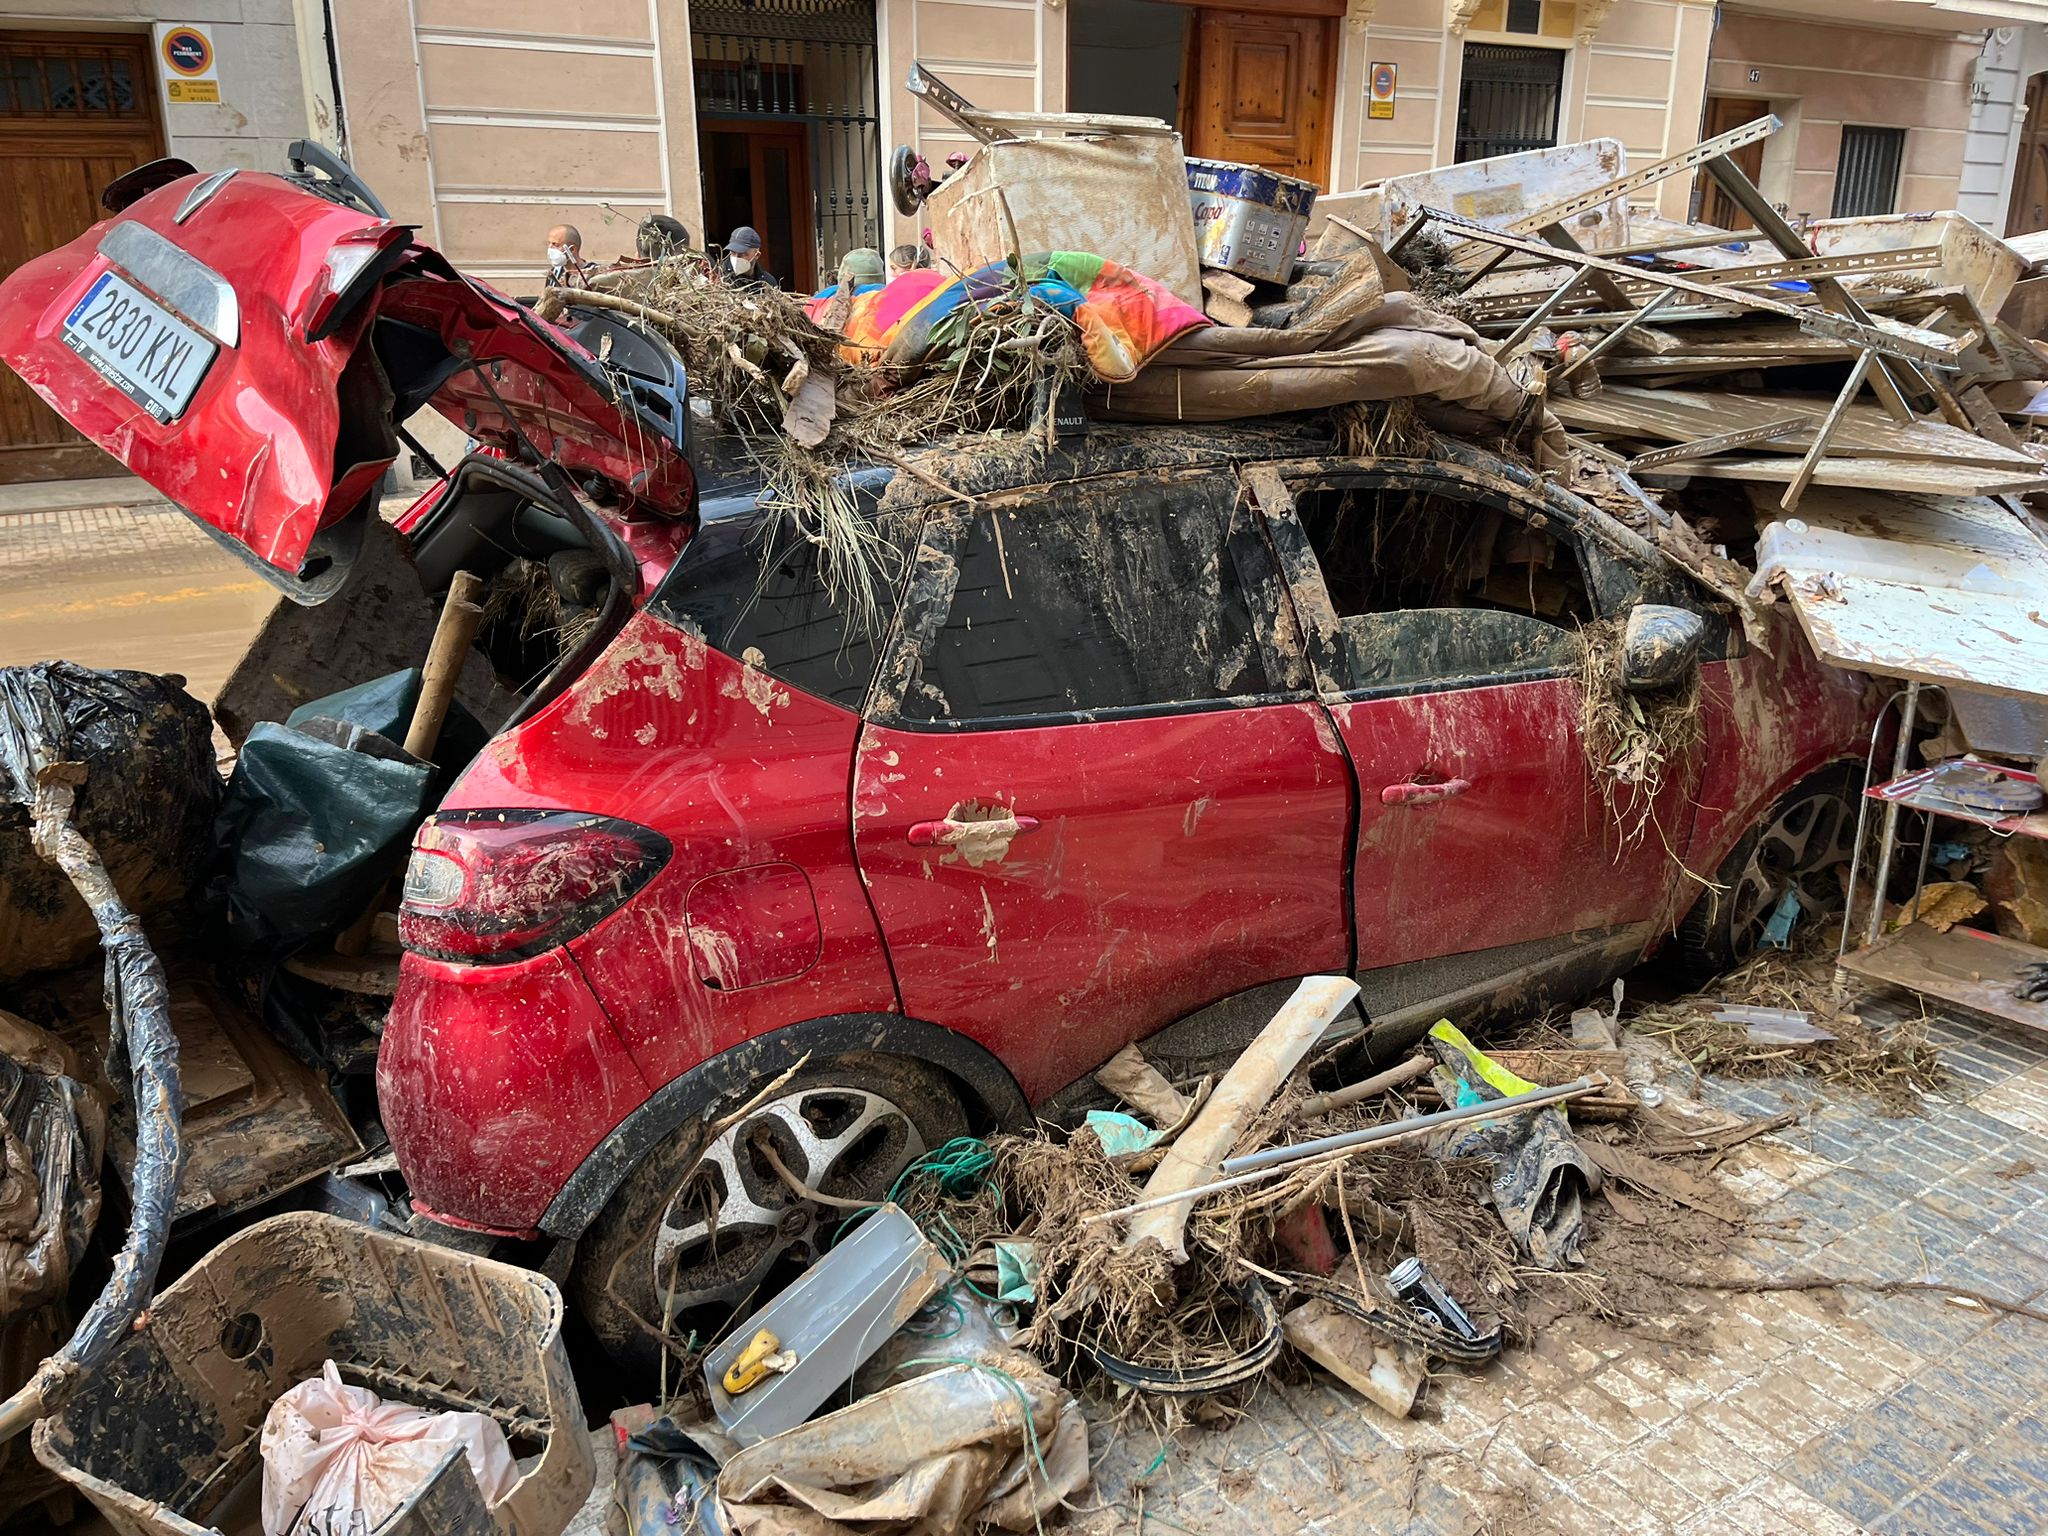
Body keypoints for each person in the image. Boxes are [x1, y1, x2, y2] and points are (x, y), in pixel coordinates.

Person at [544, 224, 596, 289]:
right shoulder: (555, 273)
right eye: (549, 243)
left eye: (556, 245)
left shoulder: (593, 274)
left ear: (572, 249)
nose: (550, 249)